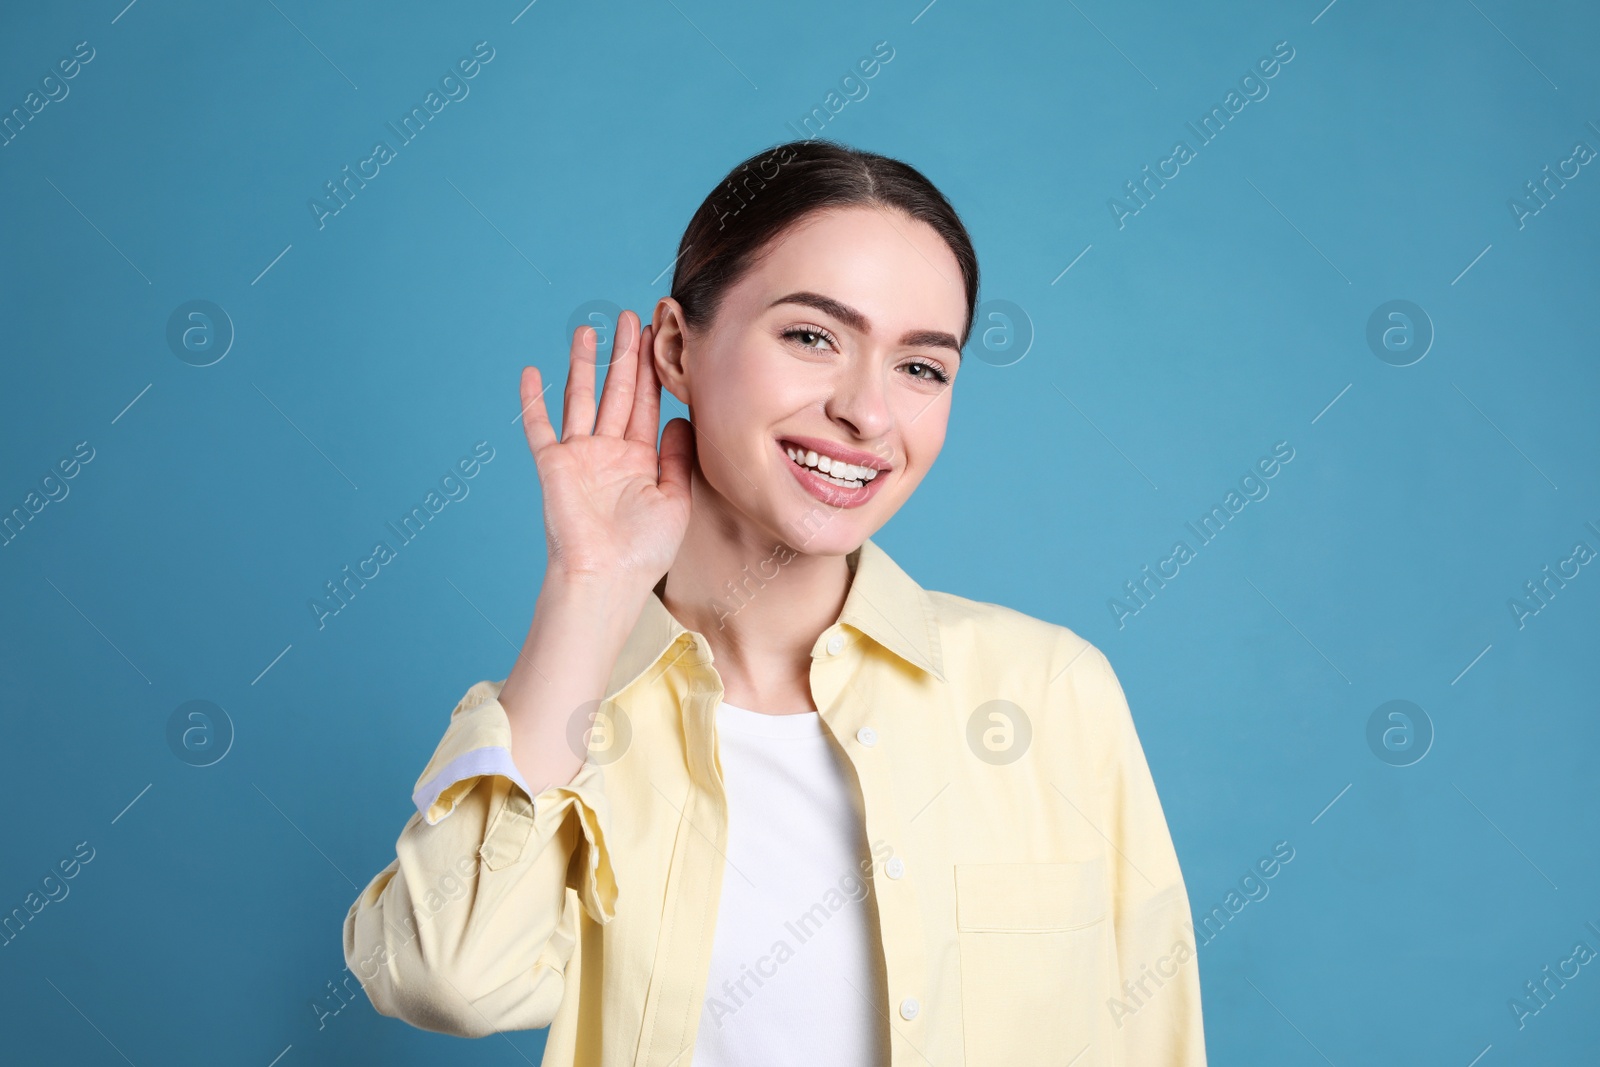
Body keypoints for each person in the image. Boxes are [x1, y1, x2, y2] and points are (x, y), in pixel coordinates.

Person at [343, 139, 1206, 1066]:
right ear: (677, 347)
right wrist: (589, 583)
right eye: (812, 336)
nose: (868, 413)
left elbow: (1152, 1038)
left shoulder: (1052, 692)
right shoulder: (562, 725)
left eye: (922, 367)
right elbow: (447, 979)